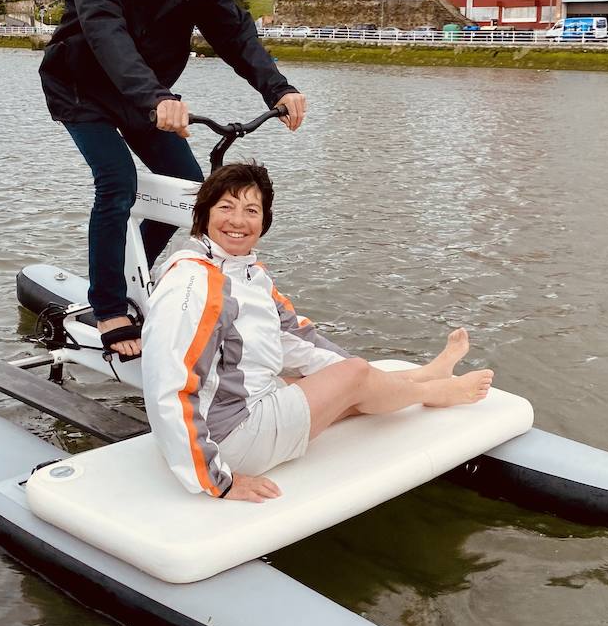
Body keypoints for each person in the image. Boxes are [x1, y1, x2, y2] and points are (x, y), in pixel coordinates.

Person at [39, 0, 306, 360]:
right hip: (82, 86)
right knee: (116, 181)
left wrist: (278, 88)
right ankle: (110, 306)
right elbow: (105, 30)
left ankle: (135, 273)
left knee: (190, 194)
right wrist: (157, 96)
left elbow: (233, 33)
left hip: (146, 93)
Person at [141, 162, 495, 503]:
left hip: (243, 405)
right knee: (353, 376)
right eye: (226, 207)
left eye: (251, 210)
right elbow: (168, 385)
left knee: (348, 381)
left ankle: (422, 375)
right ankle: (435, 392)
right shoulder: (193, 284)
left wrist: (354, 376)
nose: (238, 220)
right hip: (227, 441)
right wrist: (217, 480)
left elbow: (295, 338)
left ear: (264, 221)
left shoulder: (247, 272)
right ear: (203, 214)